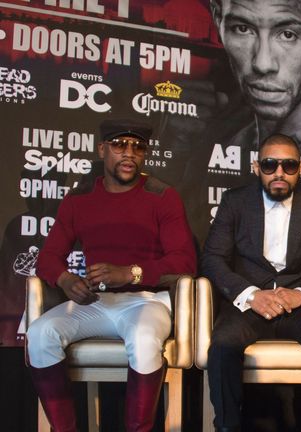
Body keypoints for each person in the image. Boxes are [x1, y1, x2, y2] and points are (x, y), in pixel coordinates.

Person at [26, 118, 197, 432]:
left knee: (144, 339)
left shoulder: (162, 196)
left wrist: (131, 274)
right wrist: (66, 280)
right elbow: (48, 258)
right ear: (102, 149)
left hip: (147, 302)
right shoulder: (79, 200)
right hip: (95, 302)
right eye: (119, 145)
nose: (129, 153)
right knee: (39, 335)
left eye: (137, 147)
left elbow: (185, 261)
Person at [201, 134, 301, 432]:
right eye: (270, 165)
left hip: (299, 306)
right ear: (257, 167)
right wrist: (250, 295)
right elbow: (212, 259)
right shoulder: (236, 201)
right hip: (250, 304)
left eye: (289, 165)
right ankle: (226, 427)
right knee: (222, 344)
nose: (279, 173)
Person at [165, 0, 301, 240]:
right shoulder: (224, 140)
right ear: (219, 22)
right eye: (242, 29)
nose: (263, 63)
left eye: (287, 34)